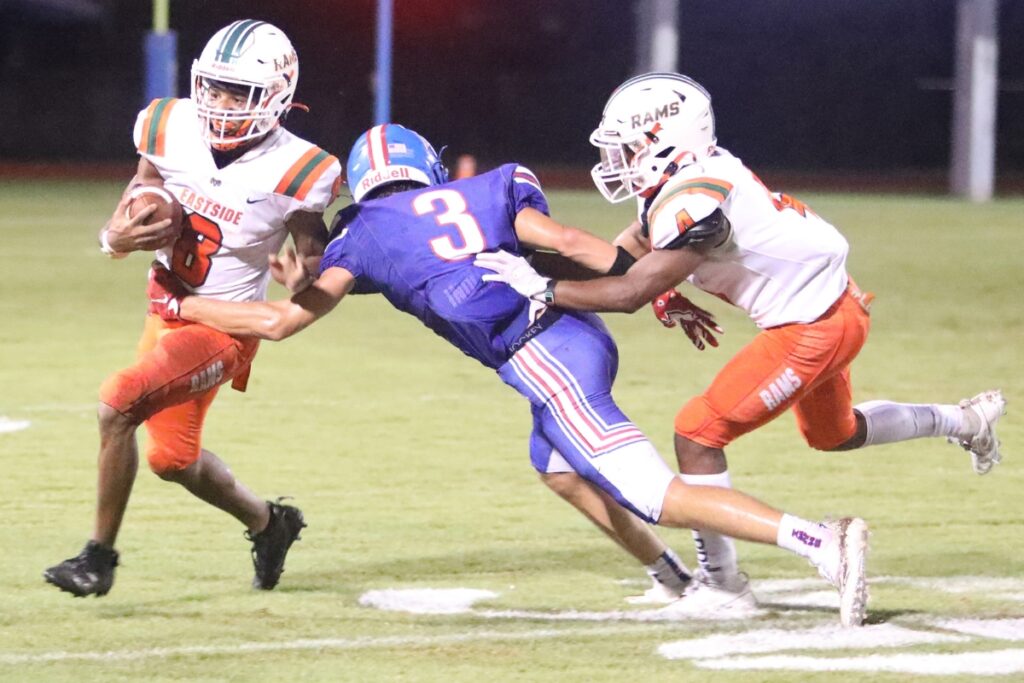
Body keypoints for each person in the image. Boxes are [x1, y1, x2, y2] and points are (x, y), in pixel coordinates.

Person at [148, 123, 871, 627]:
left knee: (650, 488)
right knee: (556, 465)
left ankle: (819, 540)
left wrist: (183, 301)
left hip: (542, 356)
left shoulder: (364, 235)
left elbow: (279, 321)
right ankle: (677, 581)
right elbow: (571, 243)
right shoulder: (487, 189)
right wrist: (660, 288)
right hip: (577, 335)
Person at [474, 72, 1007, 617]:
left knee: (697, 433)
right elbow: (627, 253)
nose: (623, 157)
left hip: (811, 327)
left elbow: (630, 289)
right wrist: (548, 264)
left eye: (632, 144)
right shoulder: (684, 181)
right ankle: (965, 421)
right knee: (835, 433)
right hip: (834, 309)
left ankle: (723, 587)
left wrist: (543, 287)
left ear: (667, 138)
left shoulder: (695, 199)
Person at [44, 20, 341, 597]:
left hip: (222, 326)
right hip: (165, 305)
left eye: (240, 93)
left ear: (278, 94)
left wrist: (305, 267)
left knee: (117, 404)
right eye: (215, 87)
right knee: (172, 459)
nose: (222, 104)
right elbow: (144, 184)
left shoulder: (303, 168)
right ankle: (269, 523)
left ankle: (97, 558)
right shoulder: (167, 123)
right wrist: (118, 233)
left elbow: (312, 251)